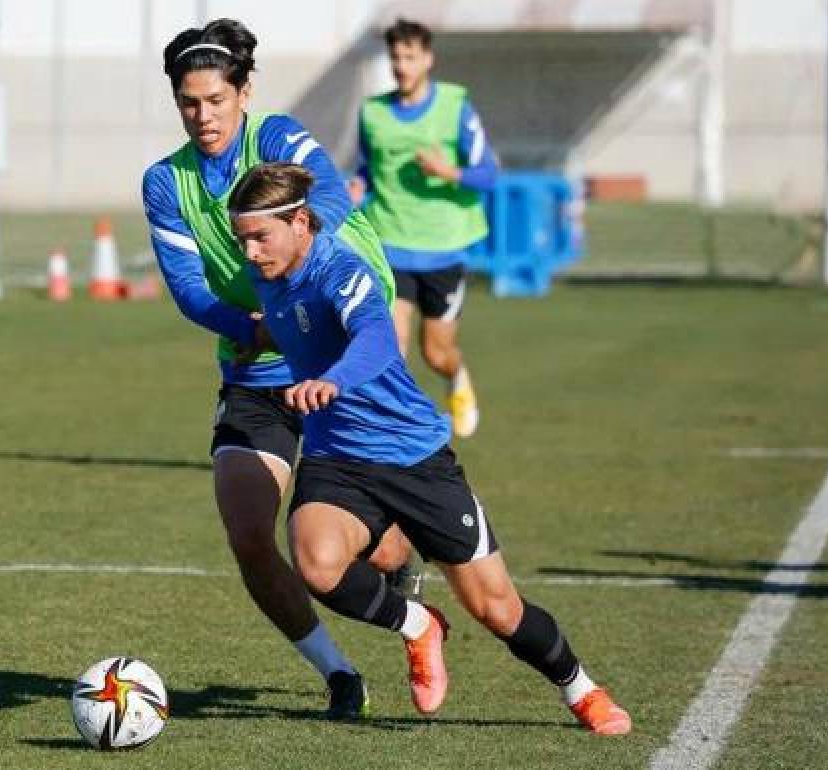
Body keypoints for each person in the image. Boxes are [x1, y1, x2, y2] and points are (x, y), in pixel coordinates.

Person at [229, 162, 631, 734]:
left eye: (258, 236)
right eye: (240, 237)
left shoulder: (341, 269)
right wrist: (256, 337)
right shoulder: (270, 275)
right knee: (316, 562)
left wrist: (335, 380)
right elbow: (292, 322)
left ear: (300, 221)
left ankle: (581, 689)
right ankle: (418, 624)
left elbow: (373, 335)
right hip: (336, 456)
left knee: (497, 609)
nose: (248, 251)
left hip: (412, 455)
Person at [140, 18, 416, 720]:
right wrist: (251, 326)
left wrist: (297, 295)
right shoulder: (165, 182)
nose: (203, 116)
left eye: (215, 100)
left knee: (372, 555)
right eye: (188, 103)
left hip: (333, 360)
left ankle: (403, 558)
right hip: (256, 372)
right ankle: (338, 674)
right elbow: (189, 289)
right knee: (245, 527)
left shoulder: (278, 138)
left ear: (243, 91)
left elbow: (327, 196)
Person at [348, 18, 498, 438]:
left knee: (435, 352)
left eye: (410, 56)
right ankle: (401, 425)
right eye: (396, 56)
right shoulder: (373, 113)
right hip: (389, 241)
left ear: (427, 59)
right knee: (390, 344)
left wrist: (448, 171)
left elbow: (489, 174)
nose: (401, 65)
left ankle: (457, 376)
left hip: (443, 247)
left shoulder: (455, 107)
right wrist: (359, 186)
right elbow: (367, 168)